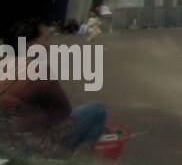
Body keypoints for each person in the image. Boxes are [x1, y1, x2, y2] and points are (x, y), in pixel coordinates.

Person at [0, 18, 107, 155]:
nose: (49, 45)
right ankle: (79, 163)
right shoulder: (37, 69)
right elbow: (64, 110)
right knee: (97, 109)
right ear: (29, 44)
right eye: (46, 39)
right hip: (35, 147)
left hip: (7, 144)